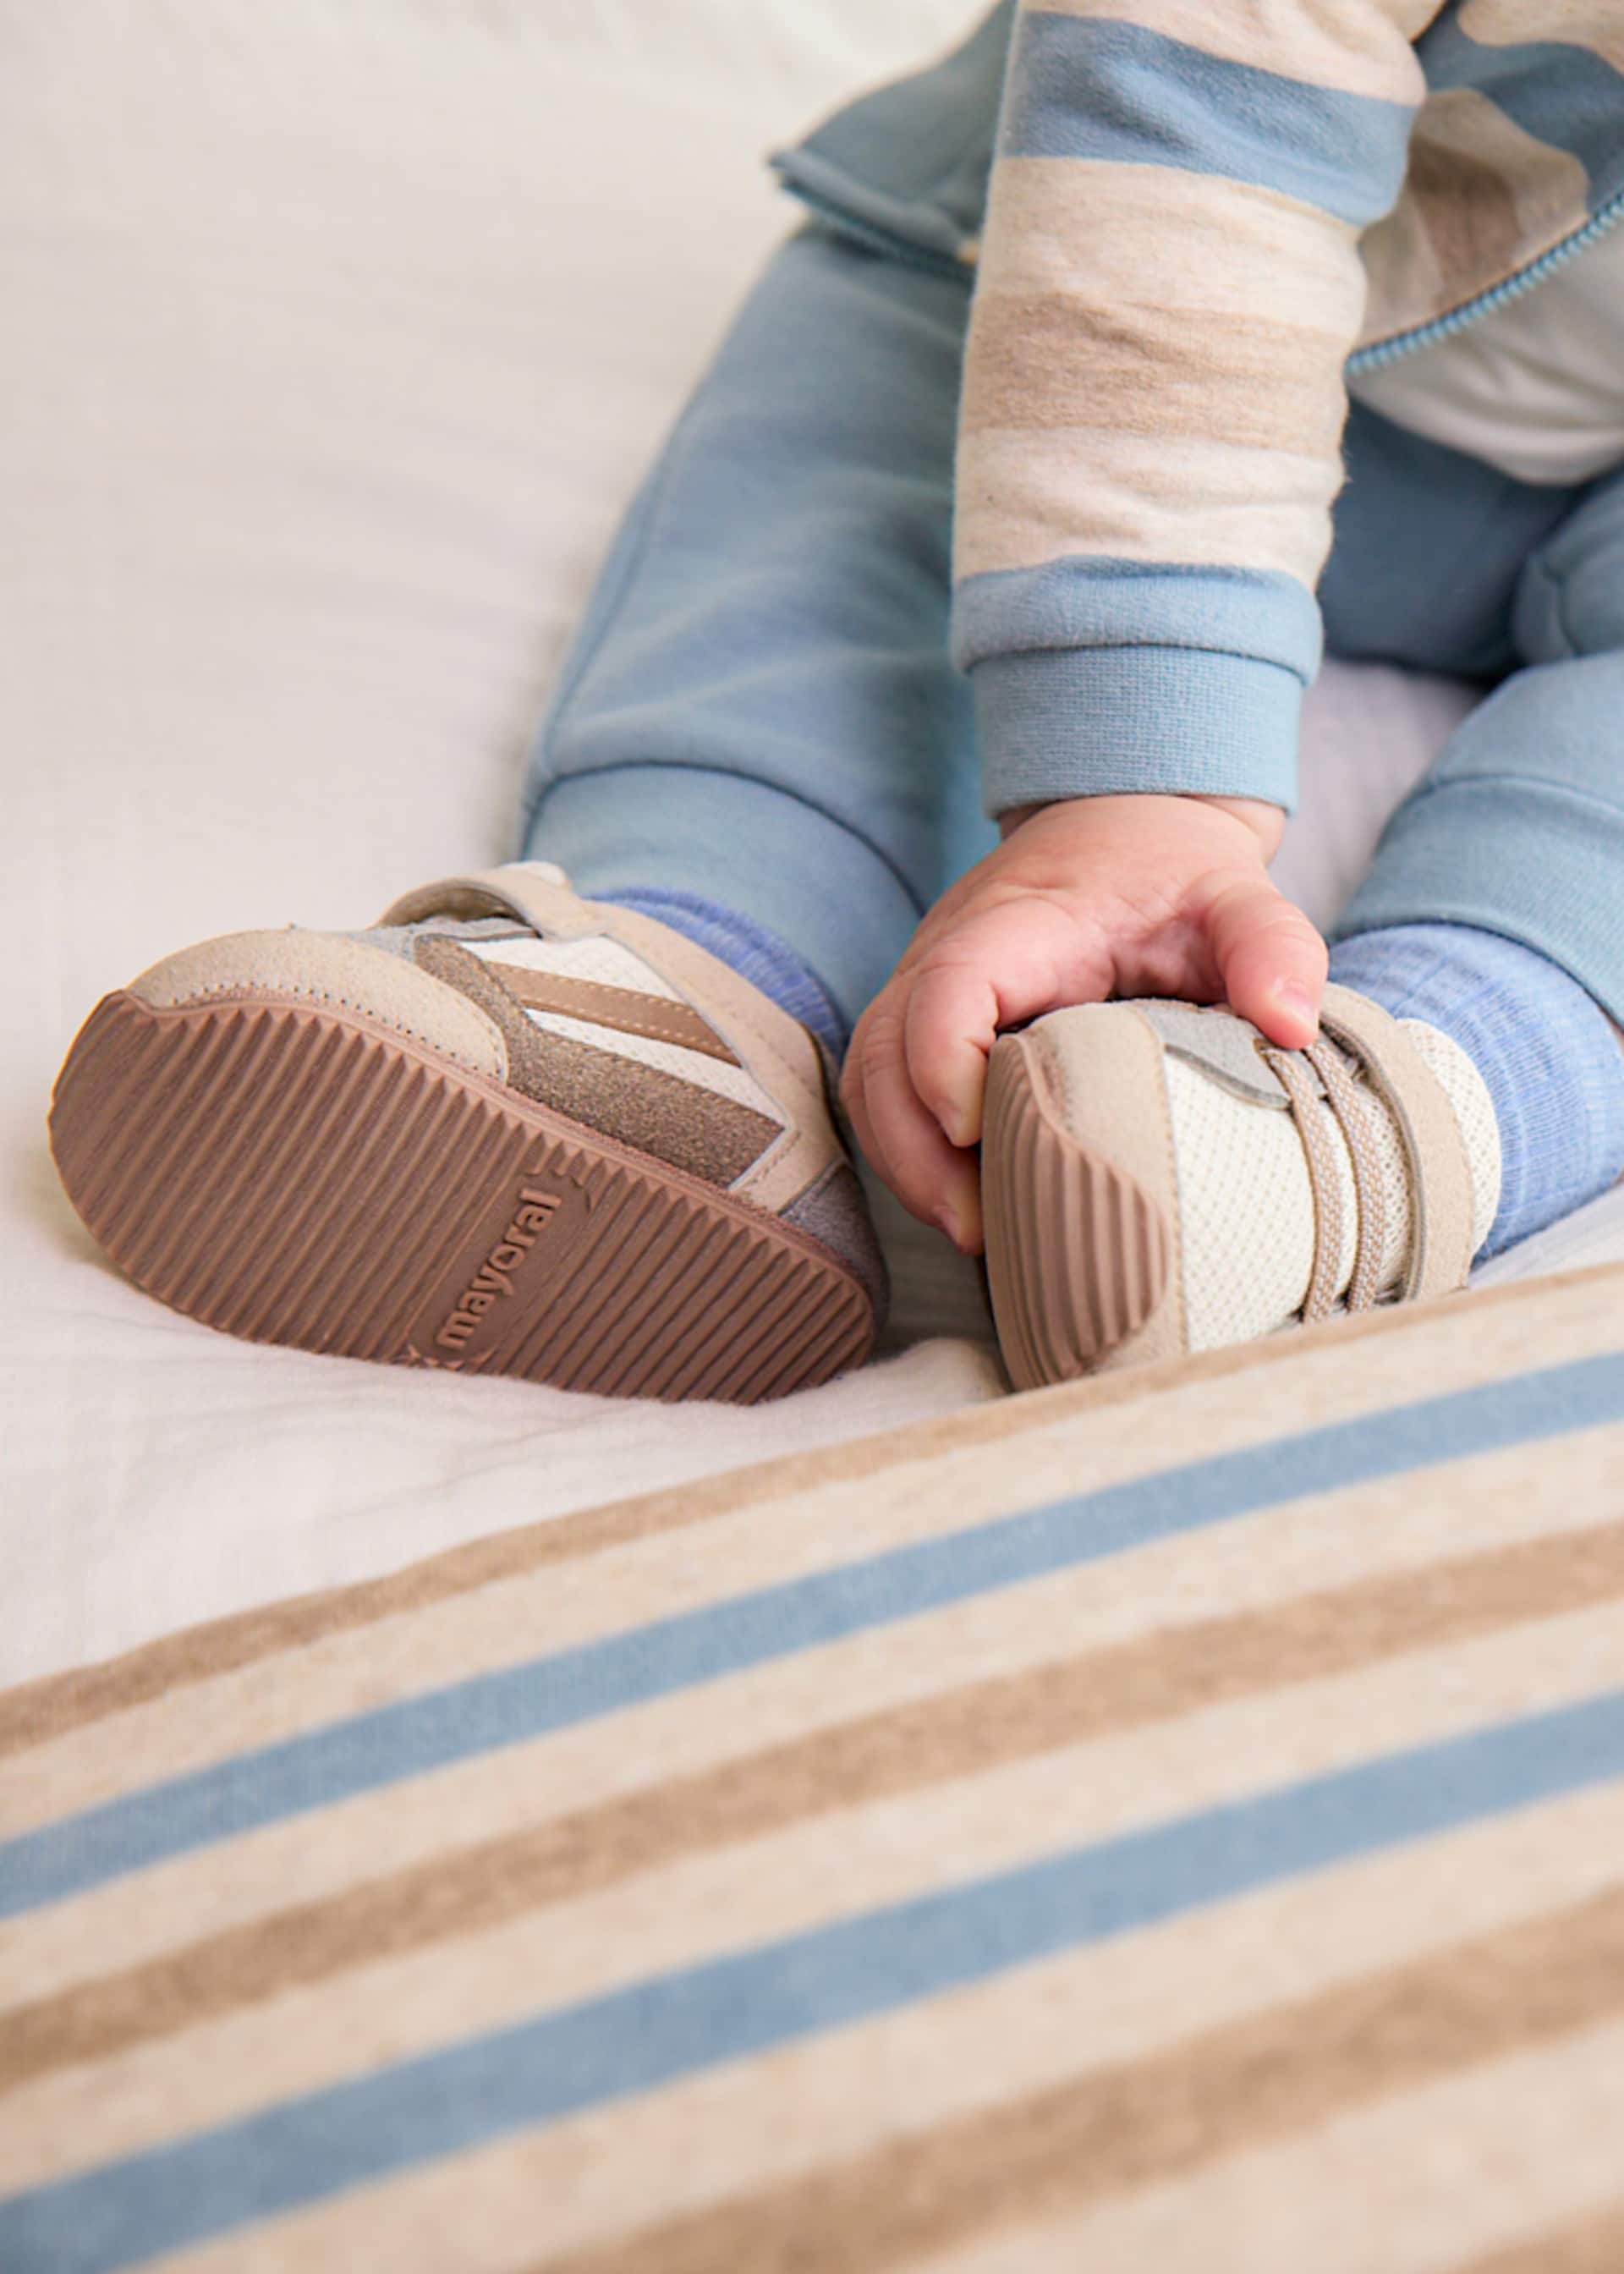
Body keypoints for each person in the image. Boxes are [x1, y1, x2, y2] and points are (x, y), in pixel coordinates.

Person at [48, 0, 1624, 1400]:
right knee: (842, 513)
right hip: (1098, 264)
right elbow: (1199, 94)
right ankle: (693, 999)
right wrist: (1130, 779)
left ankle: (1354, 1132)